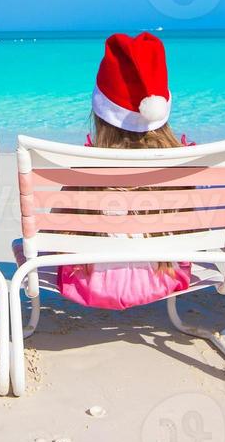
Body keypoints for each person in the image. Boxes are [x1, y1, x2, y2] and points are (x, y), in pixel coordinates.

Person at [56, 32, 193, 311]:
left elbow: (56, 230)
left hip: (90, 286)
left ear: (100, 113)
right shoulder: (181, 169)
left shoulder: (85, 170)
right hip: (165, 279)